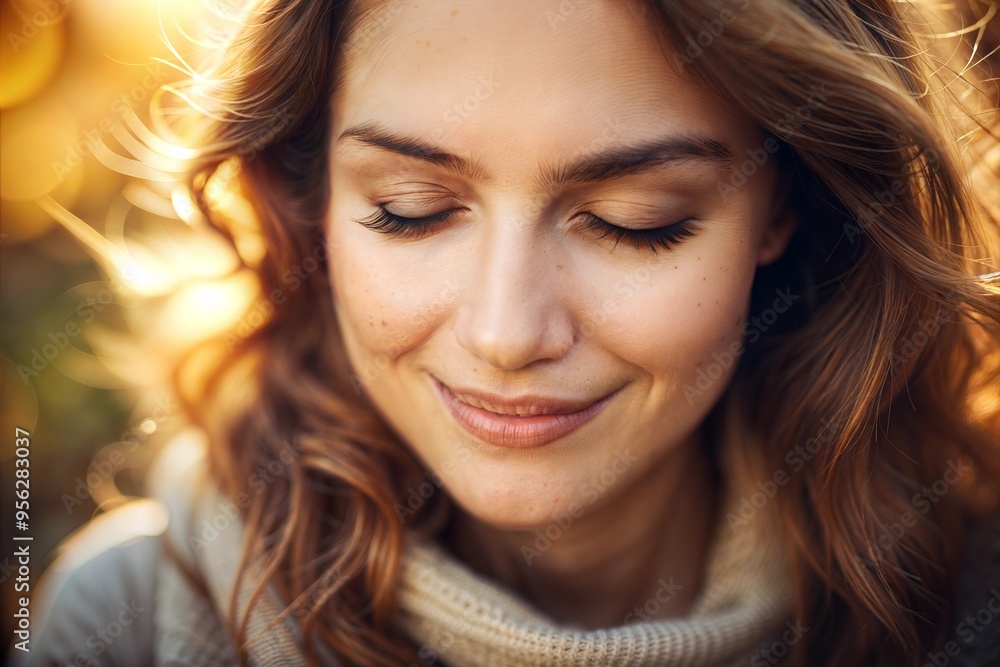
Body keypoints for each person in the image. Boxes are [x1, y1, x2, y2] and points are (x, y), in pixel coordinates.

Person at [18, 0, 1000, 665]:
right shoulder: (128, 620)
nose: (504, 333)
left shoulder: (968, 597)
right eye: (409, 208)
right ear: (309, 201)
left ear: (784, 207)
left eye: (634, 218)